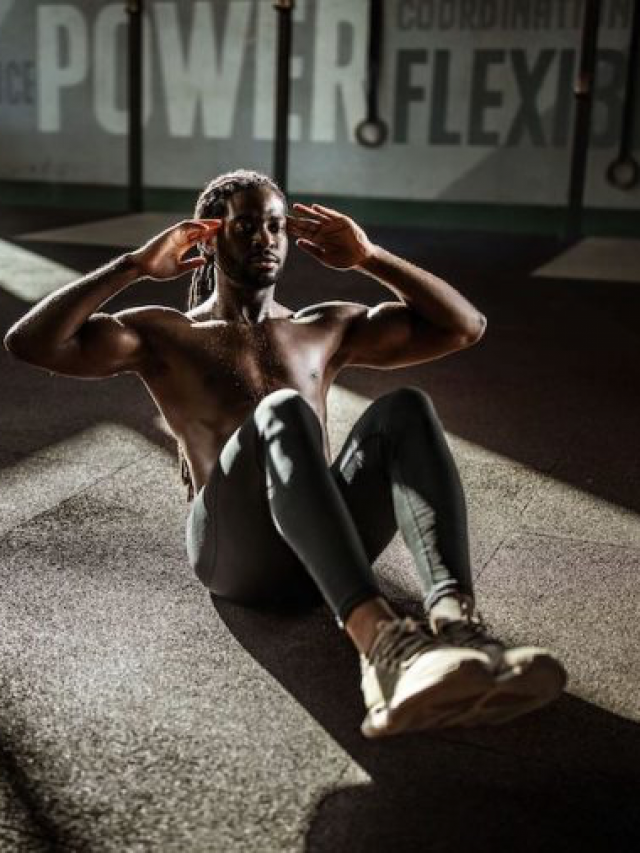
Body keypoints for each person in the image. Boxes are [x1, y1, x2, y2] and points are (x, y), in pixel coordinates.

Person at [4, 169, 566, 738]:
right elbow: (30, 342)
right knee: (282, 411)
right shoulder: (165, 334)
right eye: (246, 225)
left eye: (275, 225)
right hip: (234, 554)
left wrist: (370, 257)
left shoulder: (321, 327)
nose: (264, 239)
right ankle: (382, 648)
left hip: (320, 550)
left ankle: (457, 626)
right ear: (207, 237)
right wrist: (133, 267)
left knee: (406, 409)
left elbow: (464, 327)